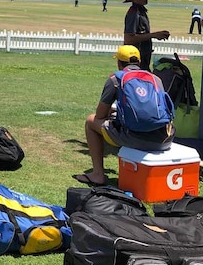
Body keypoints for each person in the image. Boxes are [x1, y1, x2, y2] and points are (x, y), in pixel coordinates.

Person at [73, 45, 175, 187]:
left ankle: (98, 174)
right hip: (164, 137)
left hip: (136, 137)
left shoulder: (115, 79)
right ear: (139, 62)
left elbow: (100, 114)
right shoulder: (155, 79)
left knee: (91, 121)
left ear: (119, 63)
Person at [123, 0, 170, 71]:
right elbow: (129, 39)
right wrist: (153, 35)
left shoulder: (141, 12)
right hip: (135, 63)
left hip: (143, 61)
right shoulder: (134, 13)